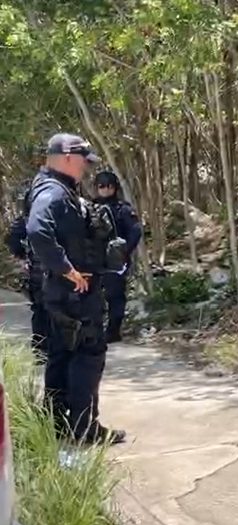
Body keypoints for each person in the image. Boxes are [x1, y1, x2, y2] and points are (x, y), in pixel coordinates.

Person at [26, 133, 126, 445]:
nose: (86, 168)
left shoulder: (53, 188)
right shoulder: (53, 194)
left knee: (62, 354)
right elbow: (36, 231)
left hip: (61, 293)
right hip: (74, 295)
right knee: (88, 354)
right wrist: (67, 270)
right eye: (83, 160)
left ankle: (55, 424)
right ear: (68, 157)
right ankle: (84, 429)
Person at [92, 169, 142, 343]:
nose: (105, 190)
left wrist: (124, 251)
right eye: (101, 186)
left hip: (115, 261)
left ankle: (113, 331)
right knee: (92, 296)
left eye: (109, 186)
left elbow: (135, 231)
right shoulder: (90, 208)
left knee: (115, 296)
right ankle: (94, 330)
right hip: (94, 260)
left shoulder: (123, 209)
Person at [5, 183, 49, 359]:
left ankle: (42, 349)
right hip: (42, 271)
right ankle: (42, 349)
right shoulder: (31, 219)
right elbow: (13, 240)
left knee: (42, 311)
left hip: (45, 270)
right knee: (43, 310)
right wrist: (23, 257)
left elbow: (12, 240)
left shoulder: (30, 219)